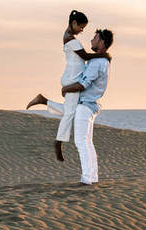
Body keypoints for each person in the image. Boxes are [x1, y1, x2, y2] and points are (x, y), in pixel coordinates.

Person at [26, 10, 105, 162]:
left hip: (71, 76)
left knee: (71, 111)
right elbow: (86, 57)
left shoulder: (68, 36)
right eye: (81, 27)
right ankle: (58, 142)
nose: (82, 30)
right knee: (70, 114)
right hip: (72, 79)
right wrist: (103, 55)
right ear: (74, 23)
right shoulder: (72, 41)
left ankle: (43, 100)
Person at [60, 28, 114, 185]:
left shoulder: (97, 62)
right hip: (91, 105)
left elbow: (83, 85)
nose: (91, 40)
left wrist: (65, 89)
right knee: (87, 141)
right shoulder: (102, 61)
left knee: (81, 141)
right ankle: (92, 177)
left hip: (85, 105)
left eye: (95, 38)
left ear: (102, 42)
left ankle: (86, 179)